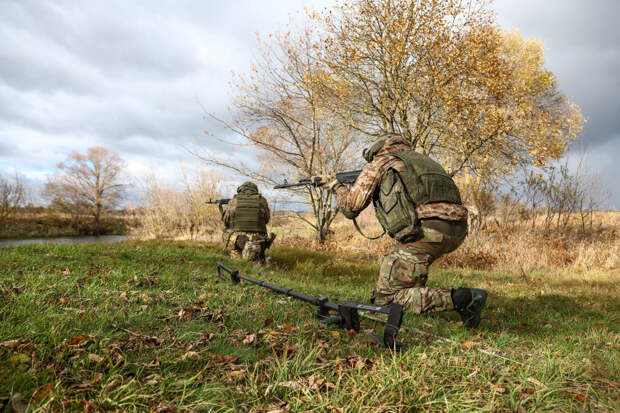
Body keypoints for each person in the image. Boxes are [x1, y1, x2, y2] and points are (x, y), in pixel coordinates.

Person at [324, 134, 487, 328]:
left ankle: (464, 299)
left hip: (426, 231)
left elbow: (351, 208)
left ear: (377, 150)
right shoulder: (424, 162)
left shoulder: (381, 162)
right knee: (404, 270)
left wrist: (335, 187)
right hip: (456, 230)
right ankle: (425, 301)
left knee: (387, 299)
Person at [220, 182, 275, 263]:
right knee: (256, 260)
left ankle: (236, 257)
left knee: (226, 232)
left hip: (238, 240)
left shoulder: (233, 201)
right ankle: (258, 259)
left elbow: (226, 221)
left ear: (241, 189)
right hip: (258, 240)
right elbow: (266, 219)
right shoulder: (262, 200)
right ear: (255, 190)